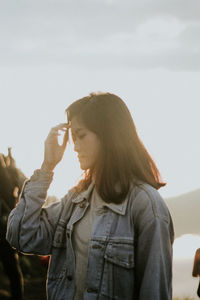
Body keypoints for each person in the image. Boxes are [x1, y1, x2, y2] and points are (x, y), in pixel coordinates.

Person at [6, 92, 174, 300]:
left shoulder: (146, 206)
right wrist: (47, 167)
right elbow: (21, 235)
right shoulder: (76, 200)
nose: (75, 146)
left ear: (108, 135)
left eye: (81, 135)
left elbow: (154, 293)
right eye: (73, 138)